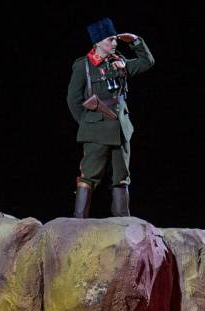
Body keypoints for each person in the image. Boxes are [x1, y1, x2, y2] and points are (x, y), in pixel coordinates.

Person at [66, 17, 154, 218]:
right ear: (97, 42)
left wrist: (135, 41)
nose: (114, 43)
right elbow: (73, 99)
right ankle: (78, 223)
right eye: (109, 40)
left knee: (121, 177)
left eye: (115, 39)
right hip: (96, 130)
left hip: (121, 129)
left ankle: (122, 221)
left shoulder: (118, 62)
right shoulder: (84, 66)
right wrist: (89, 124)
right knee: (89, 175)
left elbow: (147, 62)